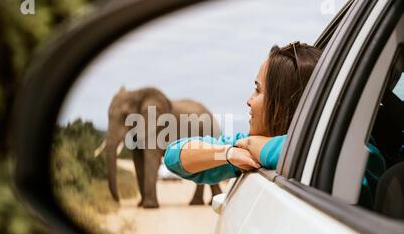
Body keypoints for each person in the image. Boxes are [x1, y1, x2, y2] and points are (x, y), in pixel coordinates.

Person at [164, 41, 385, 208]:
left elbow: (322, 156)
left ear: (283, 102)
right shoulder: (251, 146)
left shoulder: (358, 150)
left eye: (258, 90)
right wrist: (228, 153)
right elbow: (174, 156)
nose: (248, 100)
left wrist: (256, 145)